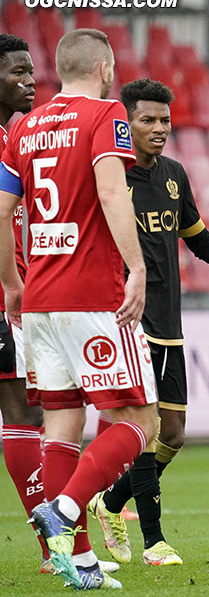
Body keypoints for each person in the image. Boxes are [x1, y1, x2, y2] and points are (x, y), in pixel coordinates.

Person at [85, 78, 209, 568]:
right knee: (145, 426)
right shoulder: (109, 177)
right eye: (147, 120)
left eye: (164, 120)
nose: (159, 128)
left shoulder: (173, 174)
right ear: (124, 122)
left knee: (173, 434)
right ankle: (155, 542)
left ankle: (109, 503)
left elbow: (198, 238)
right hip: (127, 320)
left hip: (169, 322)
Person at [0, 28, 159, 590]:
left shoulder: (24, 125)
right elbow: (114, 194)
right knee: (140, 420)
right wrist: (137, 269)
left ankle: (80, 564)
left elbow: (2, 211)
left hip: (38, 300)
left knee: (61, 424)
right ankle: (66, 509)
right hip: (92, 297)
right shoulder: (104, 116)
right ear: (105, 66)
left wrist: (12, 284)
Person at [0, 33, 45, 566]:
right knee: (25, 414)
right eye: (17, 71)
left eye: (31, 71)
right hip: (4, 300)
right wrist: (13, 284)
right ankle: (54, 546)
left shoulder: (10, 138)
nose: (29, 81)